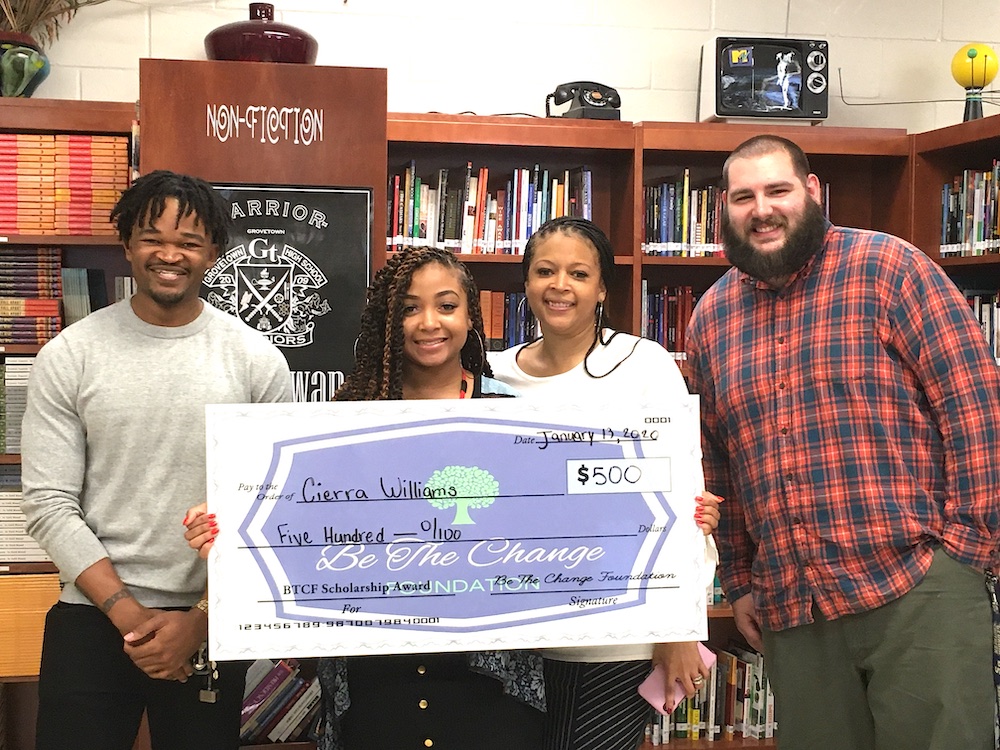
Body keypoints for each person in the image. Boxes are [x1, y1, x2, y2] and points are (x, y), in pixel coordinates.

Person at [684, 134, 1000, 750]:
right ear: (725, 208)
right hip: (793, 606)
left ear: (812, 191)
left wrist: (965, 553)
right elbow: (719, 462)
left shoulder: (891, 269)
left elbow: (976, 407)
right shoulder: (711, 317)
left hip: (916, 587)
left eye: (777, 190)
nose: (762, 209)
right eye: (744, 196)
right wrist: (743, 580)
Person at [186, 245, 543, 750]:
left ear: (471, 316)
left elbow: (552, 524)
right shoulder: (341, 420)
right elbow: (298, 529)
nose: (428, 323)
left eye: (446, 306)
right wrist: (227, 537)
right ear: (385, 320)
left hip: (487, 674)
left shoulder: (516, 417)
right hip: (375, 669)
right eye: (408, 308)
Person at [20, 170, 293, 750]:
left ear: (213, 252)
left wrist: (199, 619)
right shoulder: (69, 355)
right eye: (152, 237)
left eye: (189, 242)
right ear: (127, 244)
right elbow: (48, 504)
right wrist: (128, 615)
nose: (170, 254)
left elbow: (274, 505)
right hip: (92, 618)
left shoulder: (255, 360)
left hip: (209, 618)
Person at [488, 215, 721, 750]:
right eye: (545, 271)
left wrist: (679, 627)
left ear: (600, 289)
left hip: (618, 638)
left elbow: (683, 503)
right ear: (525, 284)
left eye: (578, 273)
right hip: (516, 639)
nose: (560, 286)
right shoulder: (496, 373)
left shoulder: (644, 365)